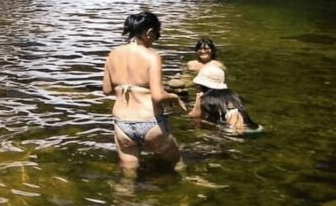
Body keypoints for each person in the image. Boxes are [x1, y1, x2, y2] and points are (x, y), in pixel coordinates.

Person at [102, 12, 186, 174]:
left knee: (128, 176)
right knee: (177, 163)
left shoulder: (112, 55)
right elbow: (158, 96)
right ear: (149, 32)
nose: (156, 39)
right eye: (157, 34)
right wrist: (174, 97)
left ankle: (125, 197)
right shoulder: (152, 57)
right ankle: (186, 195)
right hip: (150, 122)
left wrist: (128, 88)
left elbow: (107, 90)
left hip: (122, 124)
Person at [189, 62, 262, 135]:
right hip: (254, 130)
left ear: (201, 85)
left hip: (230, 134)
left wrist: (198, 100)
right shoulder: (233, 96)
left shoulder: (207, 99)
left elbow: (194, 118)